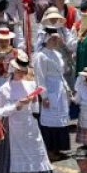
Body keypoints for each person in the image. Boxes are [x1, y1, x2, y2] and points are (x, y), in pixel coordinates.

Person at [0, 51, 60, 173]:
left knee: (37, 152)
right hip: (14, 125)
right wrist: (17, 105)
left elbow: (35, 107)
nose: (21, 74)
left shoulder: (30, 84)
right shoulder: (4, 89)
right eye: (19, 71)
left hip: (29, 122)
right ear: (13, 70)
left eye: (23, 71)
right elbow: (1, 110)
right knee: (19, 156)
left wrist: (34, 102)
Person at [32, 26, 70, 160]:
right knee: (49, 121)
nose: (55, 41)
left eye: (56, 39)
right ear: (46, 39)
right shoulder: (40, 56)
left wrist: (66, 88)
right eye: (53, 39)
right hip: (50, 89)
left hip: (59, 89)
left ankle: (58, 148)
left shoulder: (57, 54)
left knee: (60, 119)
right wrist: (44, 96)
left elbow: (61, 73)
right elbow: (39, 77)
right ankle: (49, 150)